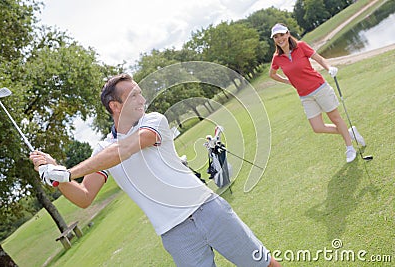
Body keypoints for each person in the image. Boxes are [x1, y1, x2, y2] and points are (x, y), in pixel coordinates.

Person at [30, 74, 281, 267]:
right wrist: (54, 174)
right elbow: (84, 197)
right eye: (134, 96)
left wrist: (68, 172)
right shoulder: (102, 149)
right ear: (115, 106)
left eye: (141, 93)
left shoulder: (154, 121)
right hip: (174, 233)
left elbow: (125, 149)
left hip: (208, 210)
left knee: (263, 264)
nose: (142, 100)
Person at [268, 23, 365, 163]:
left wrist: (329, 67)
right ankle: (349, 133)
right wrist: (289, 82)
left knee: (335, 119)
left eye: (281, 35)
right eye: (276, 37)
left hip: (320, 88)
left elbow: (319, 59)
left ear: (288, 34)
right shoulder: (277, 57)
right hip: (305, 96)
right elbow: (272, 74)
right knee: (317, 127)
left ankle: (350, 147)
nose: (279, 39)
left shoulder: (300, 46)